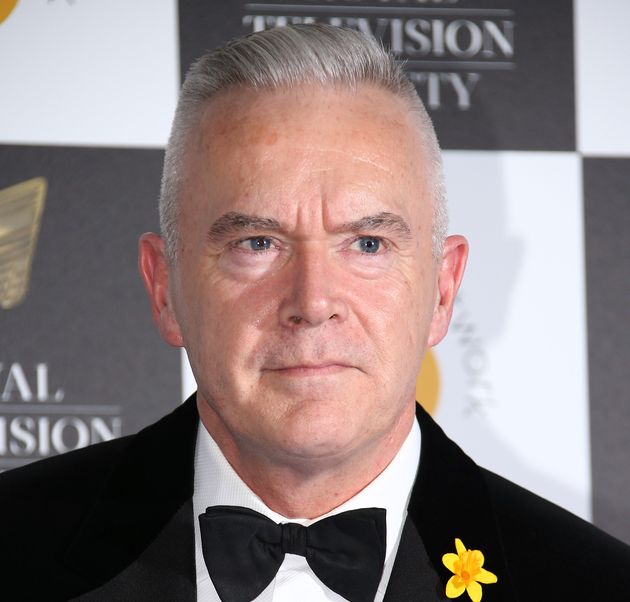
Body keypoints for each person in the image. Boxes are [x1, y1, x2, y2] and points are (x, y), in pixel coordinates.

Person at [1, 24, 629, 602]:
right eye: (257, 244)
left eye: (367, 244)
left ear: (442, 290)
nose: (312, 302)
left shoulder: (594, 585)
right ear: (165, 288)